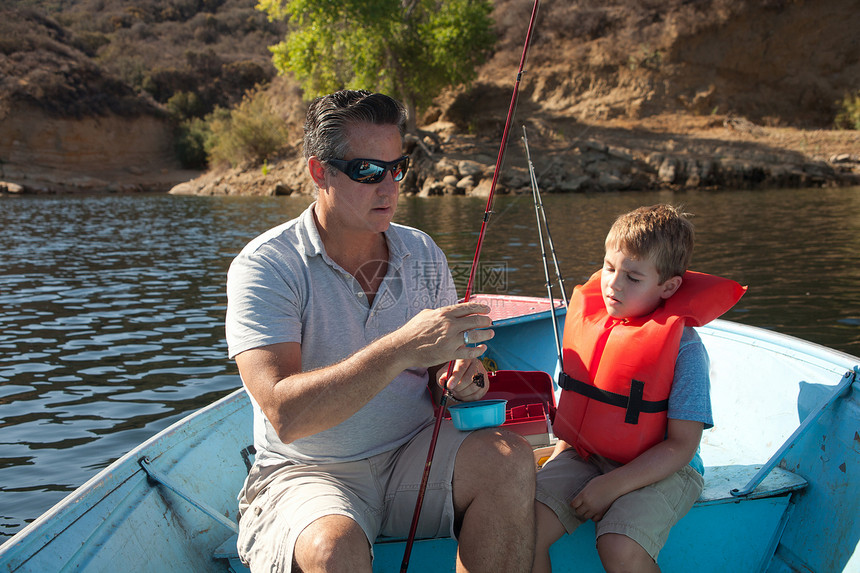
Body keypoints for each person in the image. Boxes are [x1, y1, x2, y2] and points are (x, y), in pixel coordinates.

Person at [225, 89, 536, 573]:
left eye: (398, 168)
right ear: (319, 172)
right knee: (333, 549)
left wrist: (461, 380)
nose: (388, 187)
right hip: (308, 472)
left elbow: (441, 378)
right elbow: (286, 415)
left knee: (511, 459)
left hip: (415, 454)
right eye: (367, 171)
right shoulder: (267, 266)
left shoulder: (423, 251)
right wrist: (402, 347)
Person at [532, 204, 745, 572]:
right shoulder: (589, 327)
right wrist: (559, 456)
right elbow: (576, 410)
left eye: (632, 277)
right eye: (609, 268)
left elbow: (682, 445)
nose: (613, 284)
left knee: (619, 544)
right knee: (521, 526)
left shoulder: (685, 349)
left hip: (666, 468)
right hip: (586, 455)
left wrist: (612, 486)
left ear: (669, 287)